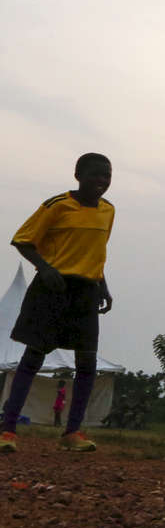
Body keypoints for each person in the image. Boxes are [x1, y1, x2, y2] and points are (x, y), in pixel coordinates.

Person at [2, 153, 115, 454]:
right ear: (78, 175)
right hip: (53, 289)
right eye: (95, 175)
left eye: (107, 176)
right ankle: (7, 430)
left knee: (87, 363)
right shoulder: (57, 205)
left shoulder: (108, 210)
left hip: (86, 291)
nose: (102, 181)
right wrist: (46, 268)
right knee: (32, 359)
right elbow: (22, 240)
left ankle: (72, 432)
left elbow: (96, 252)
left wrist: (102, 284)